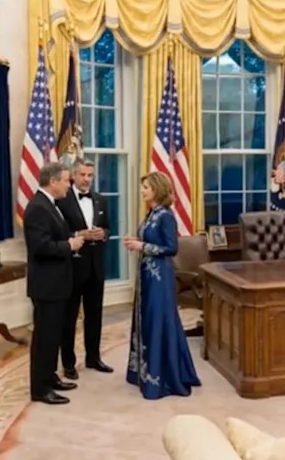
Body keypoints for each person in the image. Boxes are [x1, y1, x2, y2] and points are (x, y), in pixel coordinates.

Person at [123, 171, 201, 399]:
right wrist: (137, 244)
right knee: (146, 321)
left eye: (145, 187)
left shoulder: (165, 215)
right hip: (147, 277)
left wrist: (142, 247)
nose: (142, 191)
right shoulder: (151, 213)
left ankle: (161, 378)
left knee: (159, 322)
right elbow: (148, 242)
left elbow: (171, 248)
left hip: (159, 278)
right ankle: (142, 371)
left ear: (156, 189)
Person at [24, 162, 83, 405]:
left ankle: (49, 377)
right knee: (44, 339)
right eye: (67, 181)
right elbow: (40, 247)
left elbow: (52, 236)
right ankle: (40, 388)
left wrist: (69, 238)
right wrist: (69, 245)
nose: (70, 186)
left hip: (57, 283)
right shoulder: (38, 207)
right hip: (47, 285)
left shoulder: (51, 205)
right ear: (53, 181)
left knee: (53, 336)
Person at [57, 158, 112, 380]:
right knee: (69, 317)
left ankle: (93, 357)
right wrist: (78, 235)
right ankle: (68, 363)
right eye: (82, 175)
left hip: (96, 266)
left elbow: (108, 228)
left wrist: (103, 234)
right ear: (73, 175)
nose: (87, 179)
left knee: (95, 315)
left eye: (90, 175)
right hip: (71, 267)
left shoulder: (100, 200)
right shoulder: (62, 200)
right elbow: (57, 234)